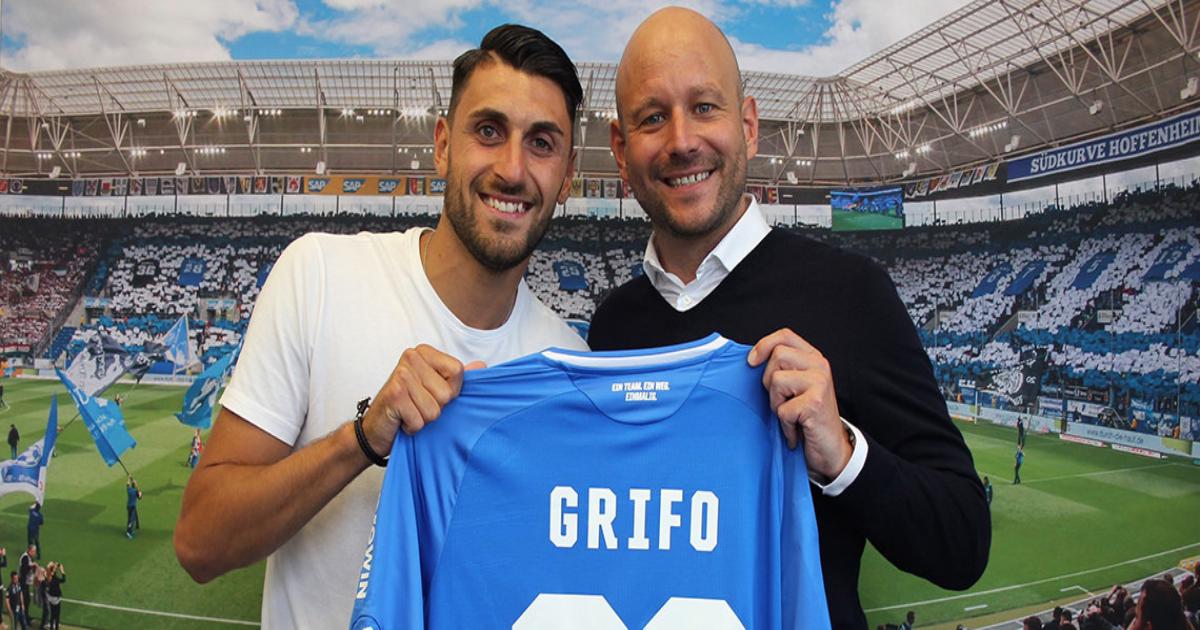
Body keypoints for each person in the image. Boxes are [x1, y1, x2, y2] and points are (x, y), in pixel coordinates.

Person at [174, 23, 586, 629]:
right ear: (442, 145)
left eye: (542, 143)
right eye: (488, 131)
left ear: (568, 175)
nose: (512, 168)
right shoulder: (319, 275)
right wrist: (363, 438)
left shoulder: (569, 367)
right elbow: (200, 543)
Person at [588, 7, 989, 628]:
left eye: (705, 107)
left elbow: (962, 542)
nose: (682, 141)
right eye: (653, 117)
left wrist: (842, 456)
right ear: (621, 148)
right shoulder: (612, 326)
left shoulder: (851, 293)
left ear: (748, 126)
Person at [42, 562, 63, 630]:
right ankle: (56, 627)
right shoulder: (54, 579)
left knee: (52, 614)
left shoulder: (48, 576)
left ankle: (52, 627)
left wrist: (54, 566)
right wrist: (62, 570)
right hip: (55, 599)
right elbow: (63, 579)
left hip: (50, 598)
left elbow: (49, 571)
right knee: (57, 615)